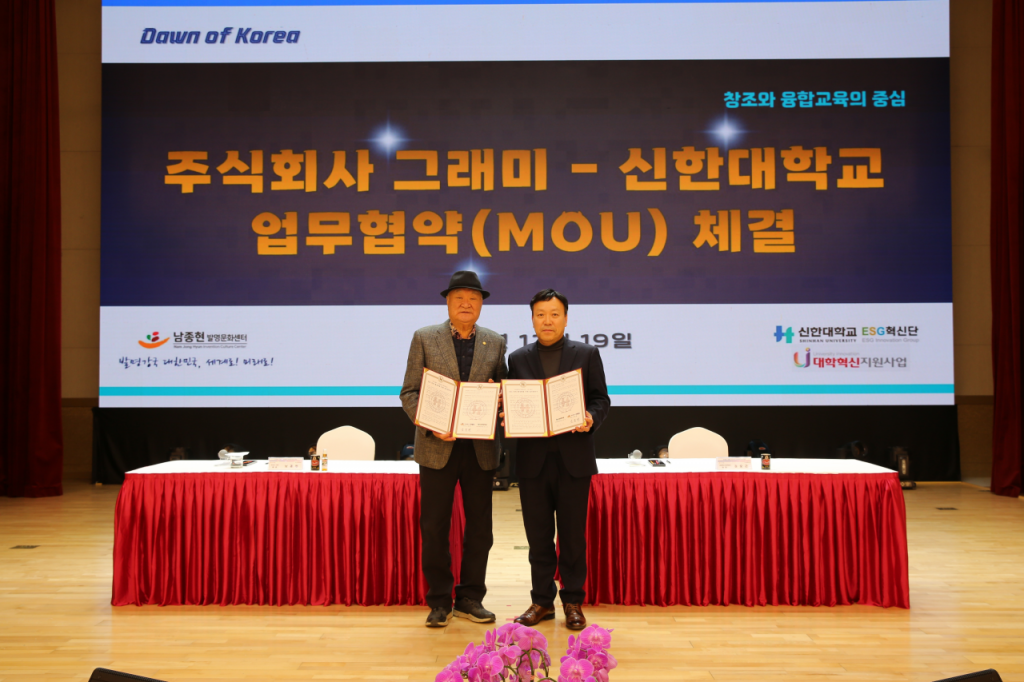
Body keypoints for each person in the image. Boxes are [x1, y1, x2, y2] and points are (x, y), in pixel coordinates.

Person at [400, 271, 508, 628]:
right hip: (437, 446)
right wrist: (433, 425)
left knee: (480, 529)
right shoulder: (424, 337)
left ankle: (470, 598)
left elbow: (503, 389)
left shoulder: (495, 342)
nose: (466, 304)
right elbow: (409, 392)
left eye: (473, 298)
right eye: (459, 297)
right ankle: (439, 601)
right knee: (434, 527)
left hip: (480, 448)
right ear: (447, 302)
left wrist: (501, 398)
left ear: (481, 305)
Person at [504, 289, 610, 631]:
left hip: (574, 459)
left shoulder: (587, 353)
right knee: (538, 537)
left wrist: (591, 417)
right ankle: (542, 601)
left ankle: (573, 601)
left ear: (565, 318)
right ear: (532, 319)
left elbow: (600, 399)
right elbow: (513, 402)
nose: (547, 321)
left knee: (572, 536)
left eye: (554, 314)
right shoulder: (518, 358)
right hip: (533, 460)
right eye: (540, 314)